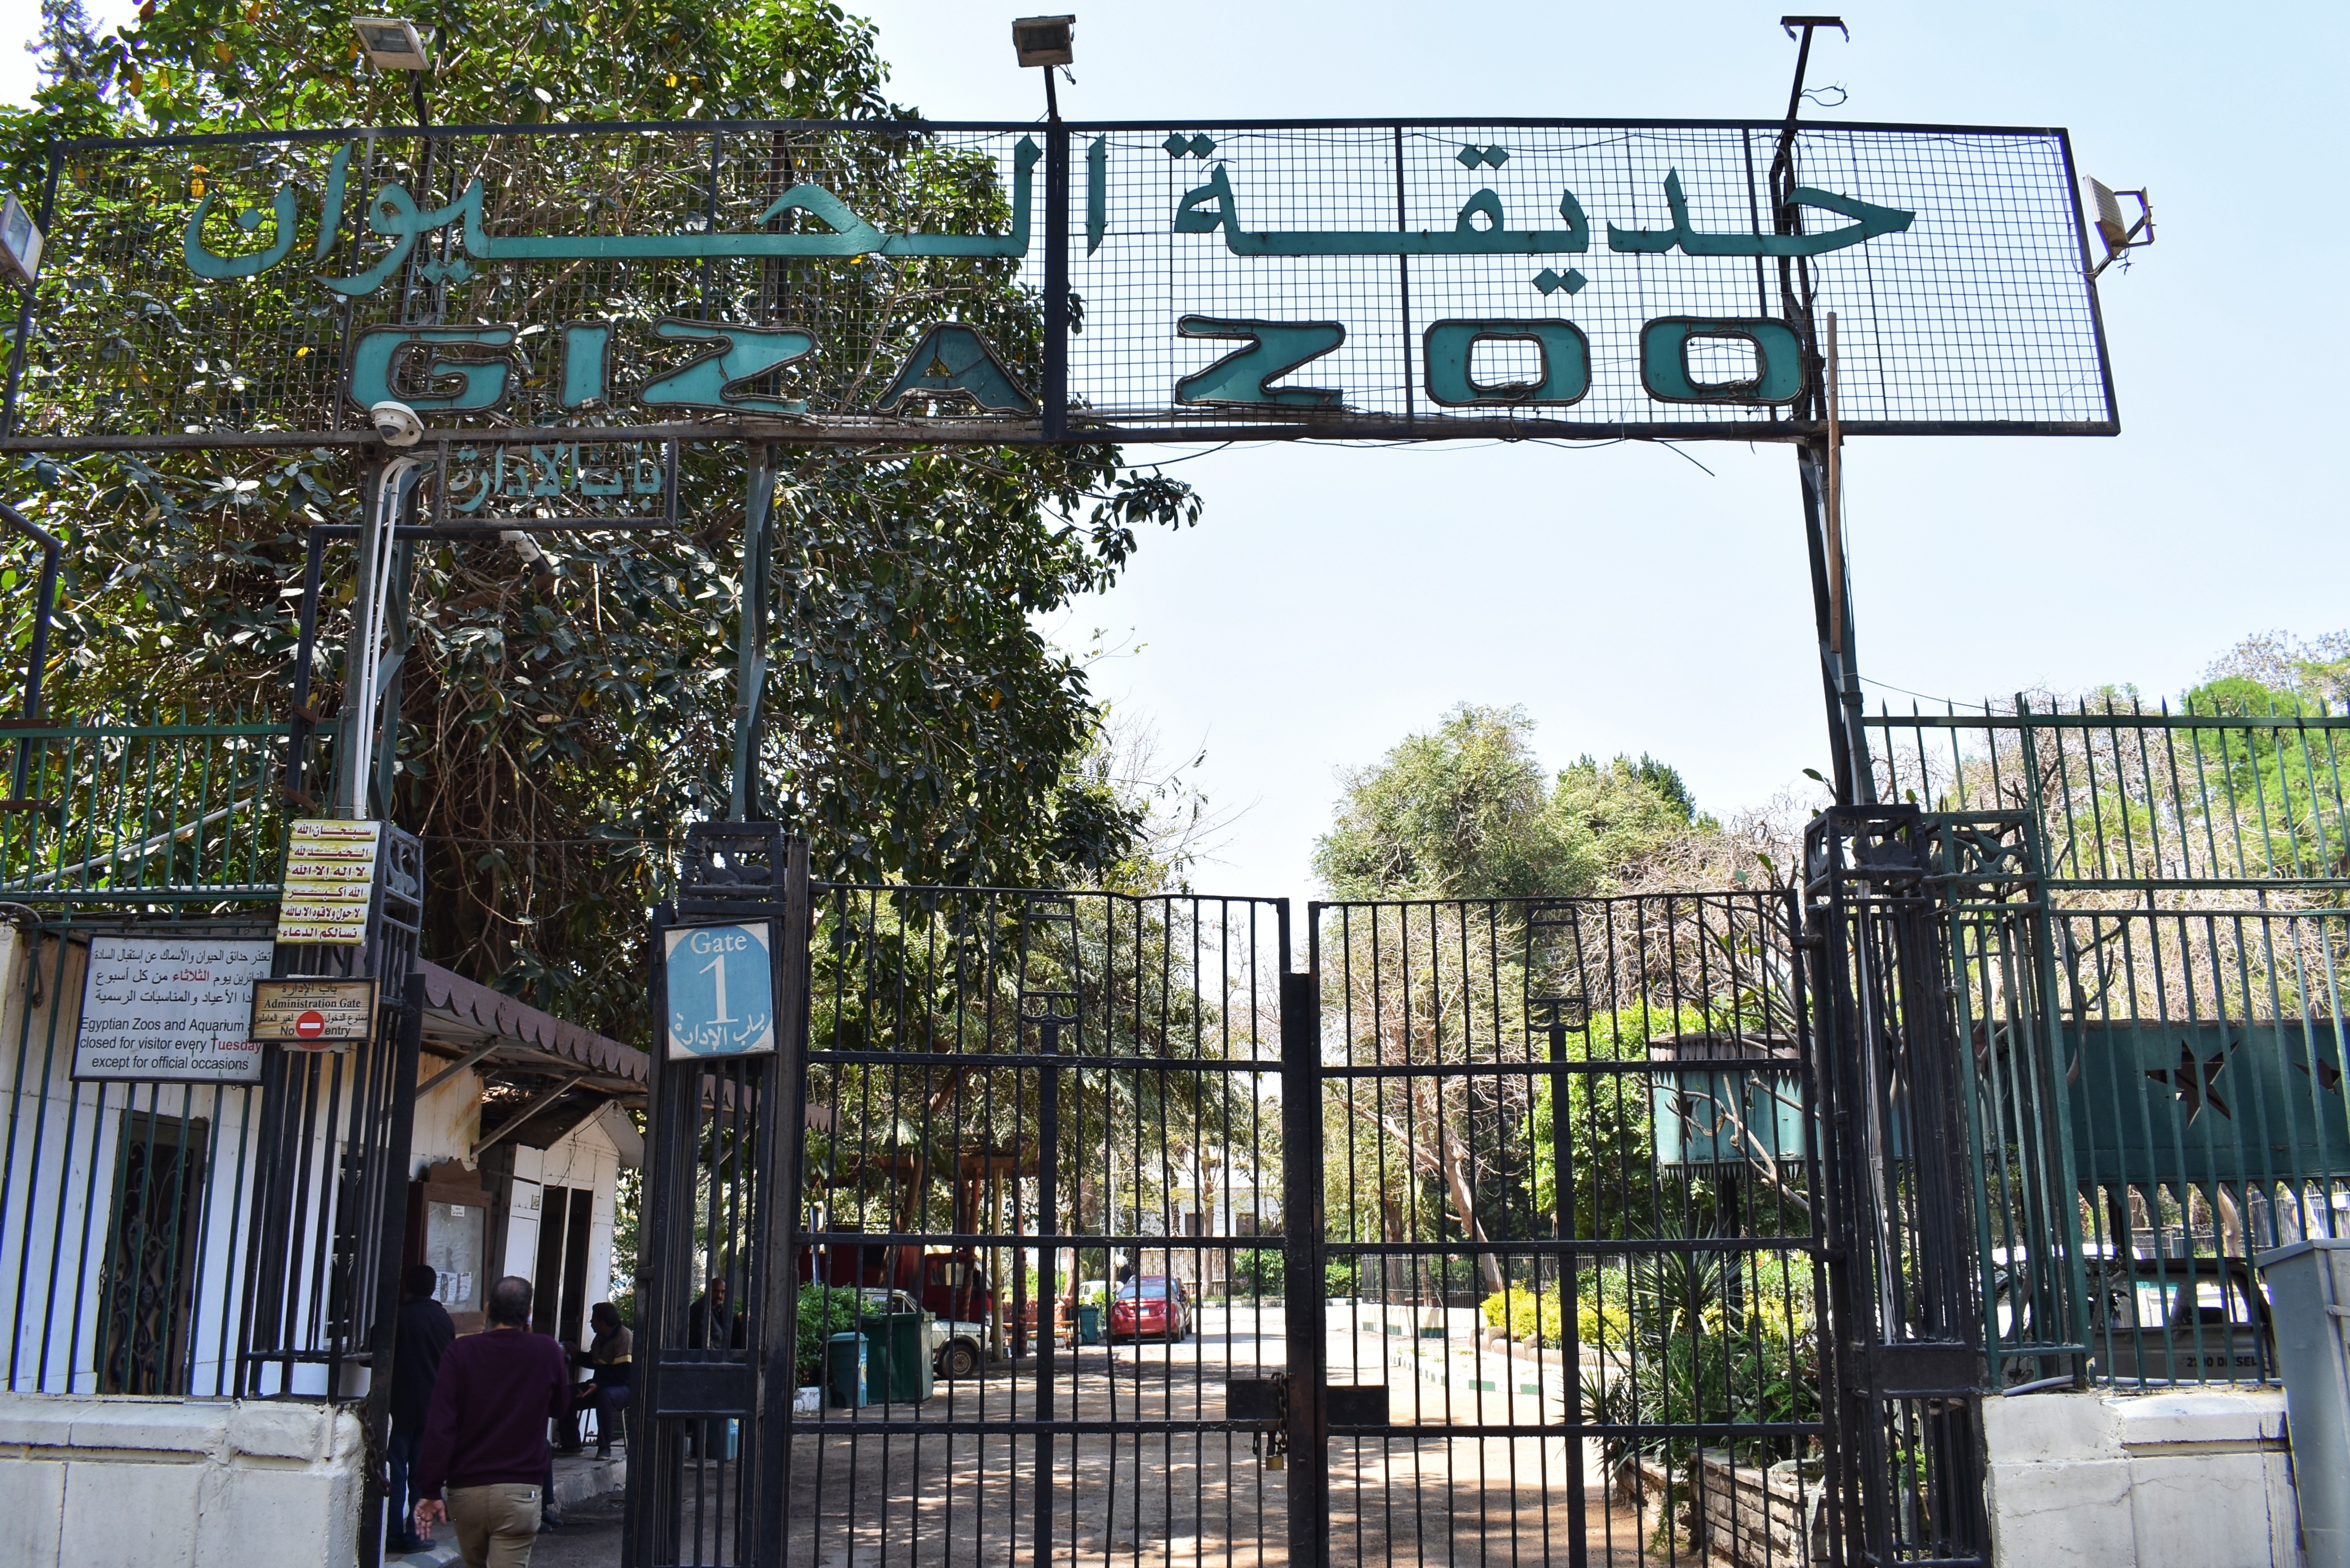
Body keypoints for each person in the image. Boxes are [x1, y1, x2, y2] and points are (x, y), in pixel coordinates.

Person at [412, 1275, 571, 1568]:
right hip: (520, 1490)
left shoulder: (460, 1353)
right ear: (528, 1313)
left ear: (487, 1309)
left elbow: (440, 1426)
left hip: (467, 1491)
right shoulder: (546, 1350)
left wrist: (431, 1489)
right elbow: (561, 1407)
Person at [386, 1263, 456, 1557]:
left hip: (400, 1409)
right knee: (419, 1476)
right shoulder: (443, 1319)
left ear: (408, 1287)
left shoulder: (398, 1318)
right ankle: (417, 1535)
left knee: (394, 1473)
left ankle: (391, 1534)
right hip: (431, 1408)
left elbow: (373, 1355)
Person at [561, 1302, 632, 1459]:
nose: (591, 1323)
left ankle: (604, 1448)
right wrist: (576, 1355)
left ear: (602, 1323)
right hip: (599, 1385)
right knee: (564, 1394)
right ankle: (571, 1445)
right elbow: (595, 1362)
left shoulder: (624, 1337)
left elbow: (624, 1374)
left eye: (593, 1320)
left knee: (605, 1397)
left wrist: (599, 1386)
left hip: (622, 1388)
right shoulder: (600, 1337)